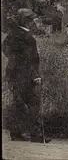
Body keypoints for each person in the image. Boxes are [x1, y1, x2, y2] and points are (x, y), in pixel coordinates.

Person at [2, 8, 51, 143]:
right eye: (33, 20)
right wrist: (35, 75)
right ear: (27, 21)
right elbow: (32, 60)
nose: (35, 22)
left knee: (18, 103)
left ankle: (16, 133)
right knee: (34, 103)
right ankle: (36, 135)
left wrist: (13, 60)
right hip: (28, 76)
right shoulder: (29, 38)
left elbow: (4, 47)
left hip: (13, 74)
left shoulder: (12, 34)